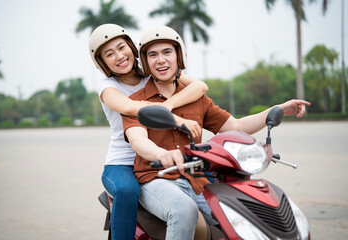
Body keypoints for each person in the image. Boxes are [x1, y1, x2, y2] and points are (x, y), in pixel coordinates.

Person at [122, 25, 311, 240]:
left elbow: (236, 127)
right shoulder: (136, 102)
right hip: (156, 179)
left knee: (238, 214)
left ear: (178, 57)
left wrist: (279, 109)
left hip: (196, 179)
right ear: (146, 62)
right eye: (152, 55)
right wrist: (161, 154)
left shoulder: (197, 99)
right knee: (183, 210)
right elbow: (138, 141)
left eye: (167, 52)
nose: (161, 60)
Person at [89, 23, 209, 240]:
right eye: (109, 54)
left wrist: (169, 105)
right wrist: (176, 119)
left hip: (158, 156)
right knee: (127, 191)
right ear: (102, 62)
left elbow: (199, 86)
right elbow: (129, 107)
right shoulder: (108, 87)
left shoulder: (150, 74)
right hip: (123, 162)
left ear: (132, 48)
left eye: (121, 47)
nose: (119, 56)